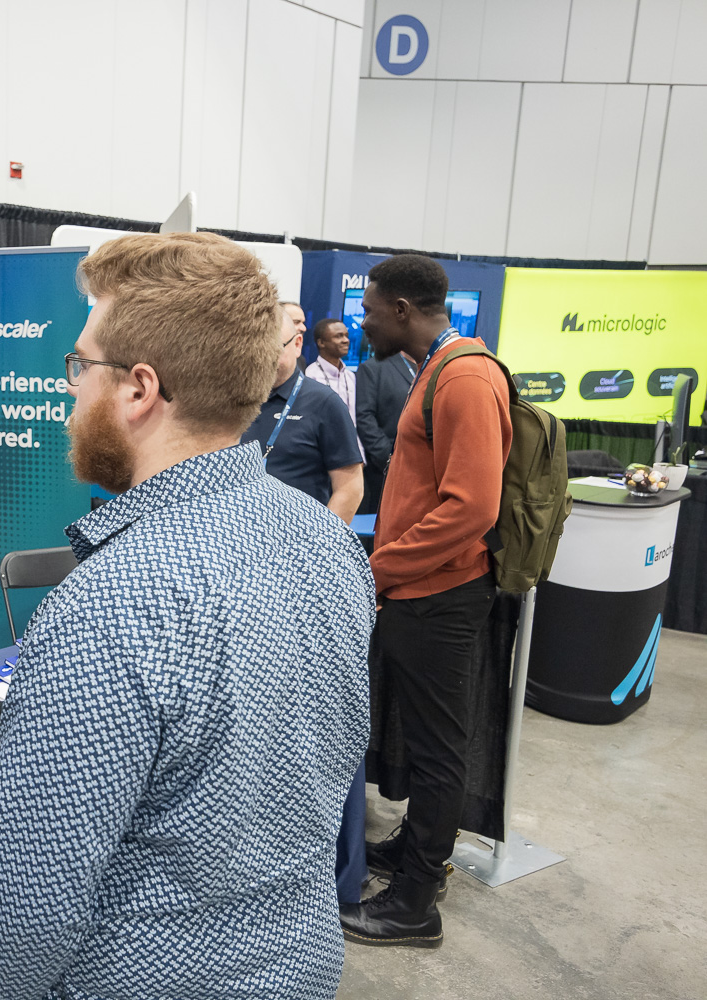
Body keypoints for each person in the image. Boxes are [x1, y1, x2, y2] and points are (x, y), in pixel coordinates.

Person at [0, 233, 374, 1000]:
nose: (71, 391)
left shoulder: (106, 607)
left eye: (80, 367)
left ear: (139, 390)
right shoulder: (326, 541)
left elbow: (21, 909)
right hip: (303, 968)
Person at [339, 254, 511, 949]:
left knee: (439, 751)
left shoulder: (464, 376)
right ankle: (416, 850)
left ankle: (415, 904)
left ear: (403, 309)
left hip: (441, 594)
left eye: (369, 310)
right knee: (423, 739)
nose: (363, 323)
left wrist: (379, 569)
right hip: (420, 590)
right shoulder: (435, 368)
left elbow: (472, 507)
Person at [241, 306, 365, 523]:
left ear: (297, 344)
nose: (261, 358)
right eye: (254, 348)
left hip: (299, 535)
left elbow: (350, 487)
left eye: (273, 349)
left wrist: (322, 538)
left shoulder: (324, 403)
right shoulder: (232, 400)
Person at [354, 349, 417, 513]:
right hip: (384, 471)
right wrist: (390, 458)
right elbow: (365, 418)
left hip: (423, 470)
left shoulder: (433, 366)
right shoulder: (373, 368)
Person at [306, 317, 358, 424]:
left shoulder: (350, 376)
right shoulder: (310, 375)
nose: (346, 340)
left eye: (346, 335)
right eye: (338, 336)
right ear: (321, 343)